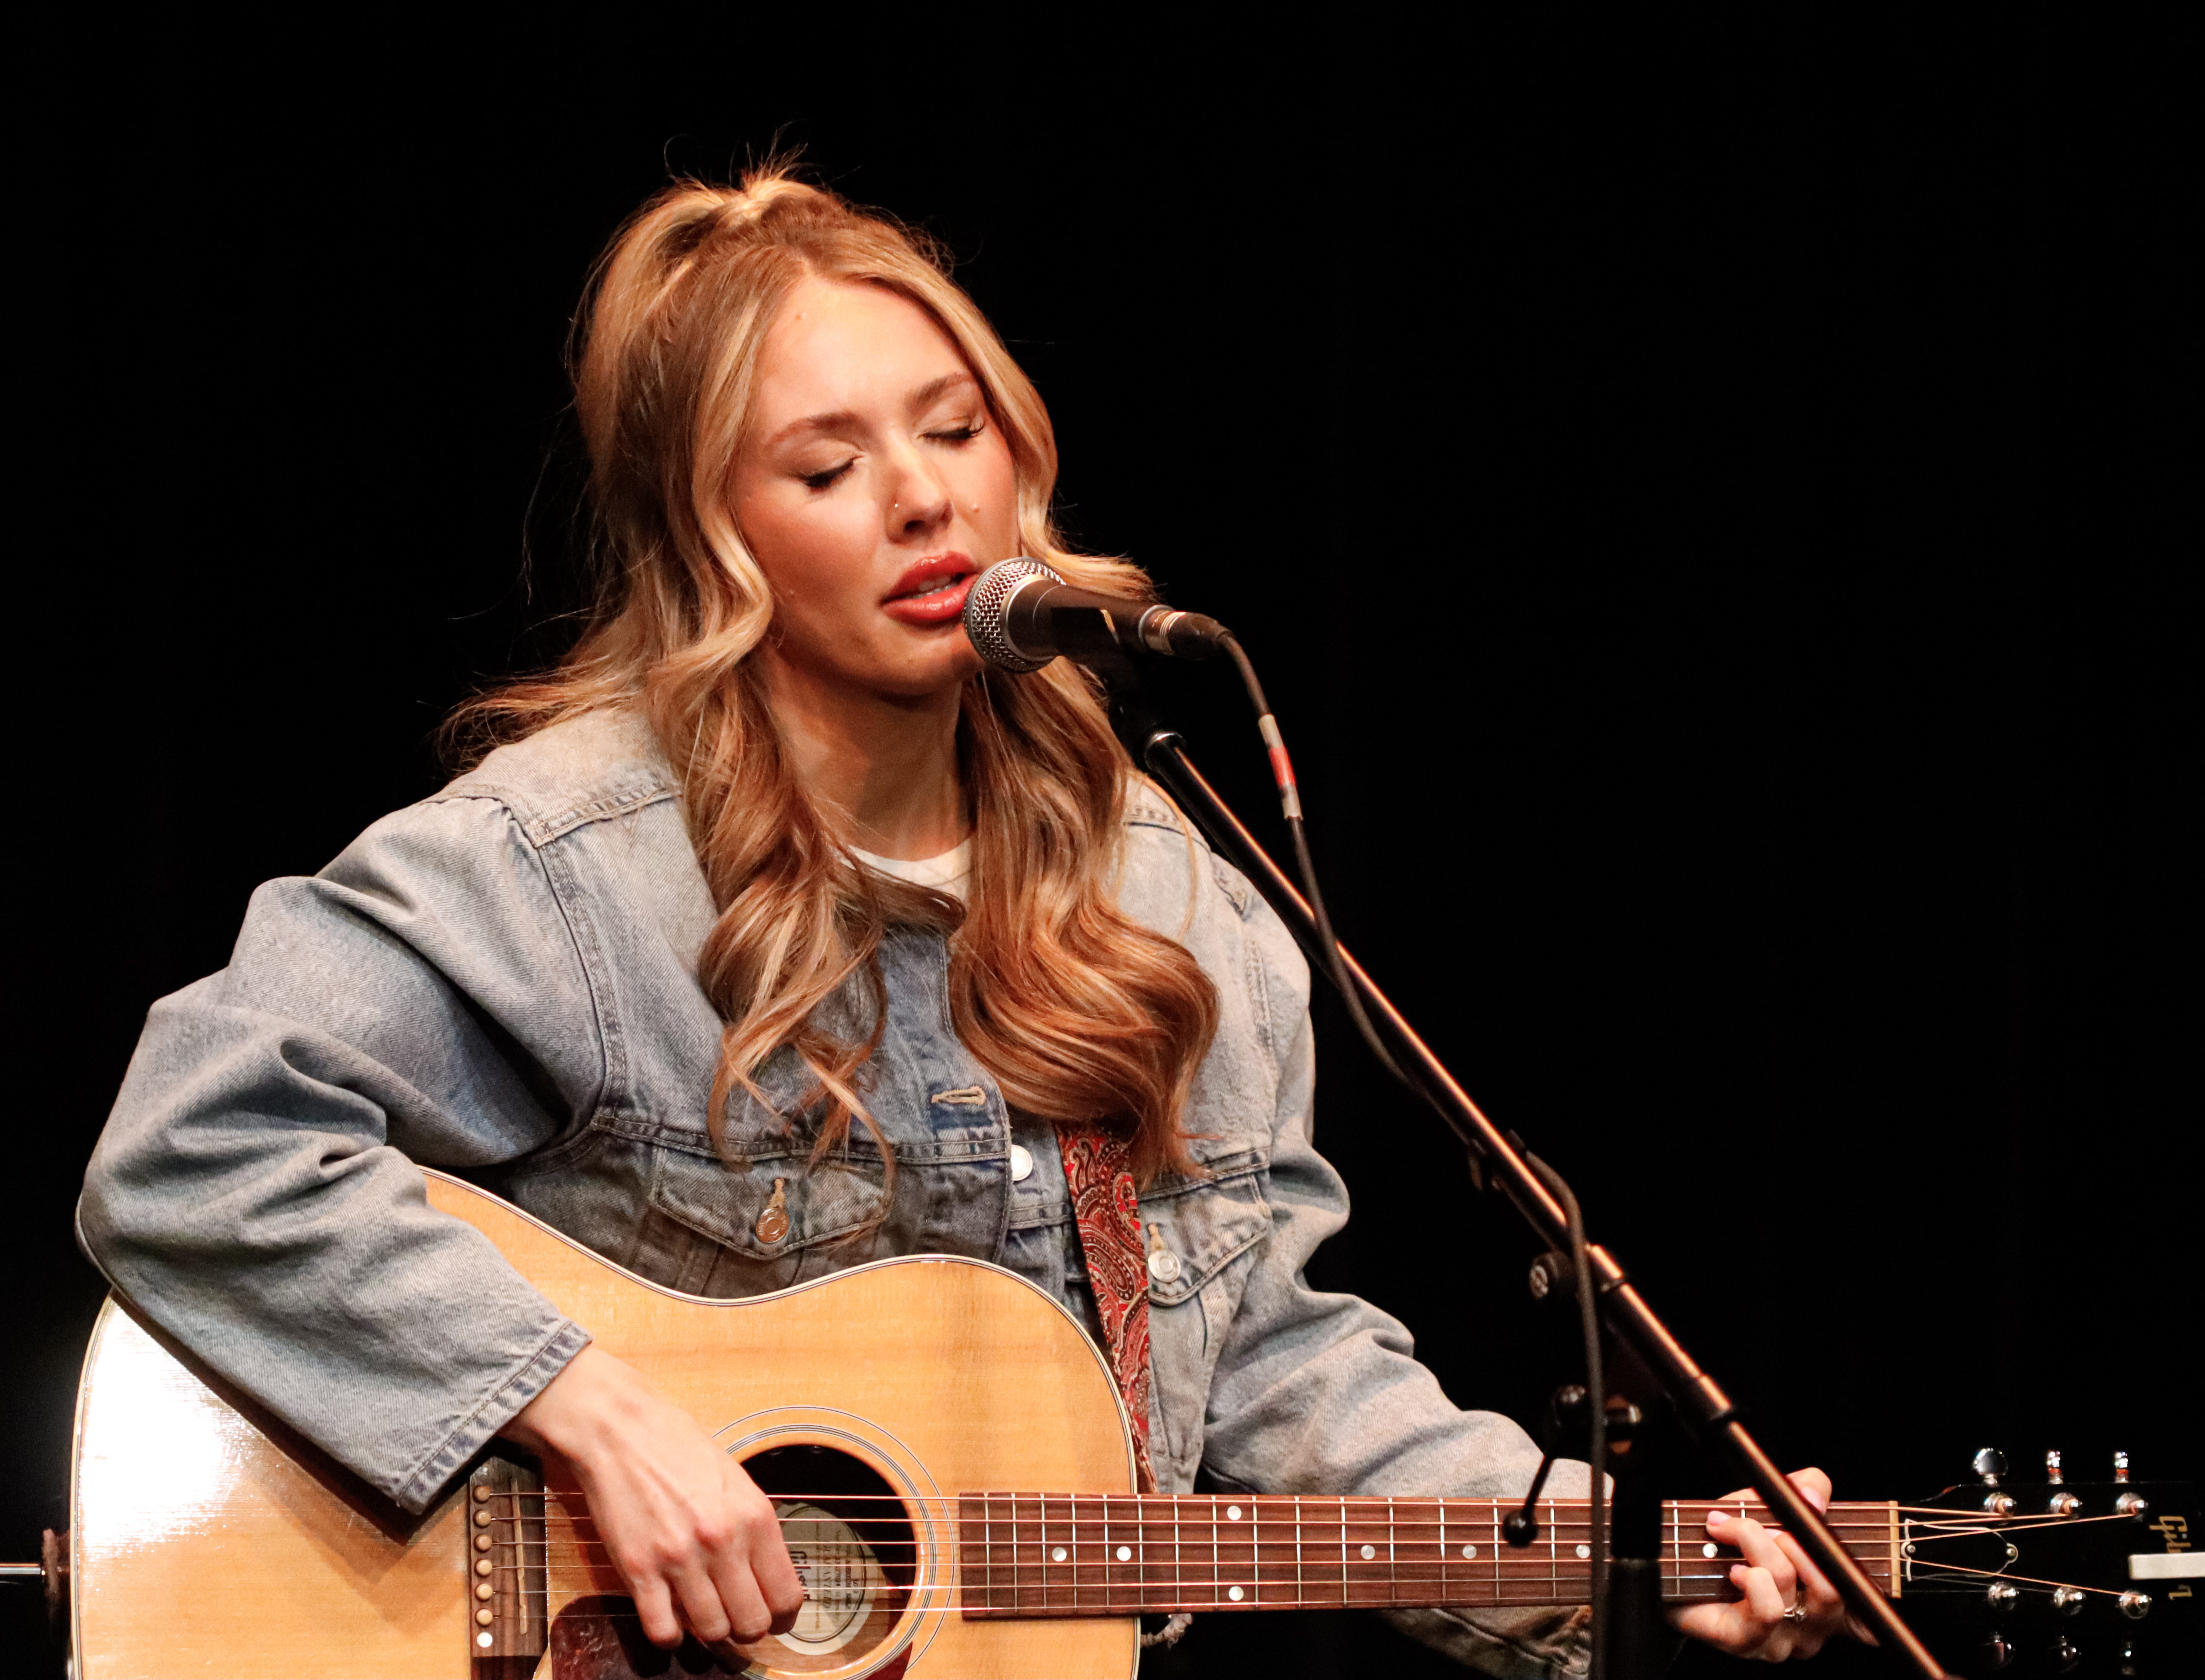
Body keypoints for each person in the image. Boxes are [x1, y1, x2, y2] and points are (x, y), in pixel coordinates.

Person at [79, 165, 1848, 1677]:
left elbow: (1265, 1355)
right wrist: (584, 1411)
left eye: (954, 429)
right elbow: (198, 1141)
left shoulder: (1172, 892)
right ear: (712, 536)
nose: (925, 498)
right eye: (825, 466)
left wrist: (1630, 1562)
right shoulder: (568, 864)